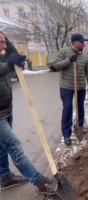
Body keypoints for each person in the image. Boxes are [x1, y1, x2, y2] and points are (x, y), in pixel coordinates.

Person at [0, 32, 57, 194]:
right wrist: (8, 65)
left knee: (2, 148)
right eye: (1, 42)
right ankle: (39, 181)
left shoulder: (1, 54)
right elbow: (2, 69)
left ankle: (5, 177)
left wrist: (7, 41)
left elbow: (11, 55)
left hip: (5, 110)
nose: (4, 46)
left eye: (5, 42)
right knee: (14, 146)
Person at [53, 33, 88, 145]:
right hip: (66, 86)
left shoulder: (85, 57)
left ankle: (80, 126)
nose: (84, 44)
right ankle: (66, 134)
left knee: (80, 108)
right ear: (75, 42)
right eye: (82, 42)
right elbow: (56, 66)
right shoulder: (64, 51)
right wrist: (69, 60)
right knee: (68, 108)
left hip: (80, 87)